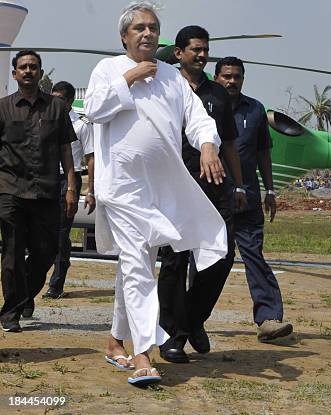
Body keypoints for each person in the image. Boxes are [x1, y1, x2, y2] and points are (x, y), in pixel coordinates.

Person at [84, 1, 227, 386]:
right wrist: (129, 78)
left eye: (153, 27)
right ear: (124, 36)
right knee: (138, 266)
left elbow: (197, 118)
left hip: (160, 190)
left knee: (137, 265)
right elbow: (94, 110)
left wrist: (209, 145)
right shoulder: (109, 70)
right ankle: (144, 355)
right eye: (139, 28)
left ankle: (116, 342)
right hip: (121, 188)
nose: (148, 33)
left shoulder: (172, 78)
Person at [157, 25, 246, 363]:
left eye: (205, 49)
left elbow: (230, 144)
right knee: (175, 261)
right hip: (175, 187)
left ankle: (192, 320)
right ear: (178, 53)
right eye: (195, 49)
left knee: (221, 255)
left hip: (215, 187)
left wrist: (238, 185)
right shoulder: (164, 89)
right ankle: (171, 337)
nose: (202, 55)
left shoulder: (218, 94)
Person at [215, 56, 293, 341]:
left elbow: (263, 153)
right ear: (216, 78)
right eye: (226, 76)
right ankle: (190, 322)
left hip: (247, 197)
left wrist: (270, 190)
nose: (232, 81)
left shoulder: (256, 110)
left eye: (237, 76)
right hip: (212, 199)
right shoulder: (203, 106)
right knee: (210, 261)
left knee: (254, 256)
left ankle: (269, 318)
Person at [0, 50, 78, 332]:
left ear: (40, 72)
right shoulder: (3, 108)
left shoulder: (56, 108)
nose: (29, 71)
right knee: (12, 253)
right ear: (15, 74)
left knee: (46, 252)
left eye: (34, 67)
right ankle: (11, 312)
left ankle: (21, 298)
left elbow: (65, 149)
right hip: (10, 191)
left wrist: (71, 186)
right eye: (23, 67)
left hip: (46, 191)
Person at [43, 81, 95, 300]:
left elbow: (91, 158)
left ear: (70, 101)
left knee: (62, 233)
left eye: (59, 99)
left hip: (69, 180)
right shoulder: (46, 120)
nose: (55, 103)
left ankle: (57, 282)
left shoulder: (82, 124)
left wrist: (90, 190)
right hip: (45, 179)